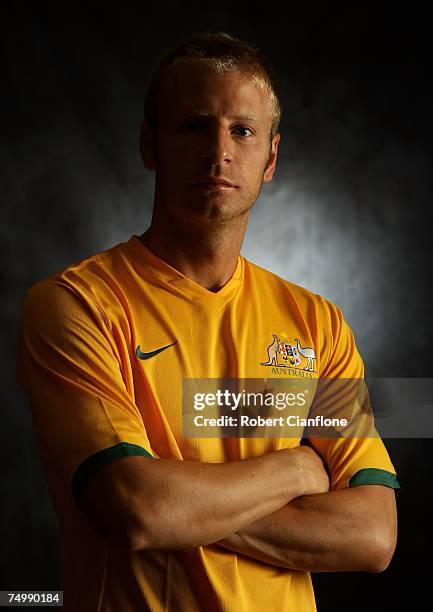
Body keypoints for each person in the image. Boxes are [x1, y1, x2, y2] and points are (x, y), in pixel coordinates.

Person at [17, 32, 400, 611]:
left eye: (242, 130)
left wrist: (187, 507)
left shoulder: (316, 323)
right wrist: (296, 468)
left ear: (270, 159)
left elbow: (373, 534)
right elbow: (141, 511)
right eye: (195, 126)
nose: (219, 150)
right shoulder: (76, 304)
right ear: (150, 145)